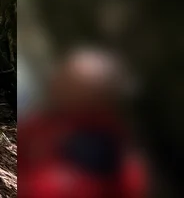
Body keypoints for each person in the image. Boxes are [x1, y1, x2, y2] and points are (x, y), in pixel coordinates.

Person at [18, 47, 147, 197]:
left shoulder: (115, 152)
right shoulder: (39, 124)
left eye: (70, 84)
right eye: (61, 80)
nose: (56, 85)